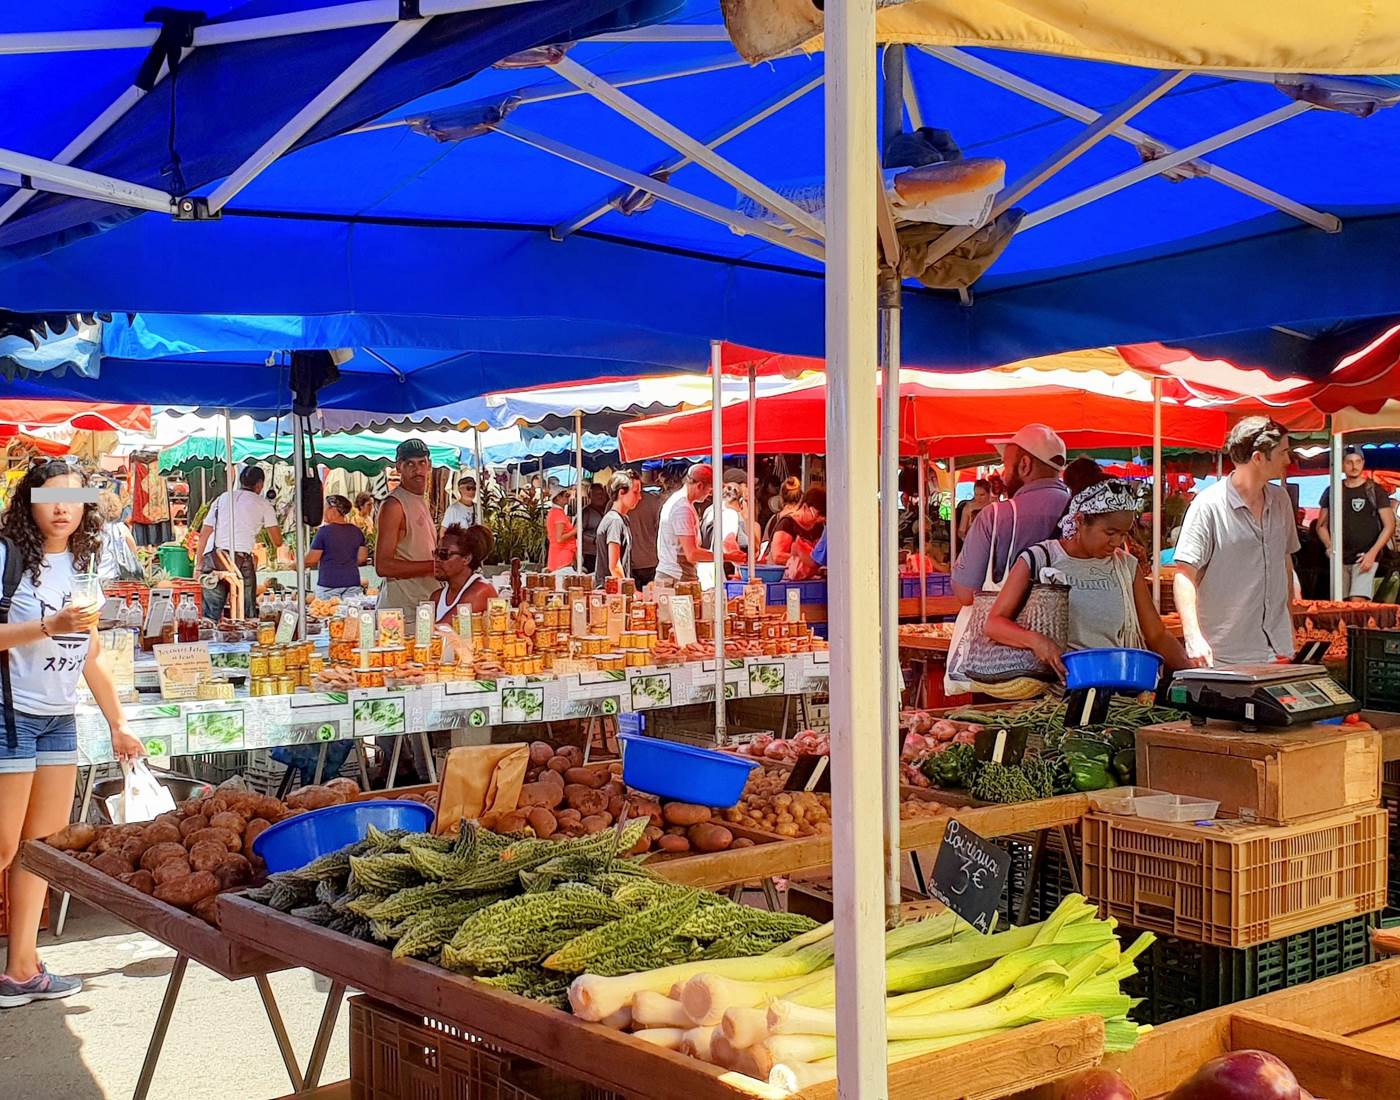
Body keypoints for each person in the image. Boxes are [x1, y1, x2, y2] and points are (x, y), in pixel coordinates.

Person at [0, 461, 145, 1008]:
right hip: (9, 712)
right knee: (3, 844)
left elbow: (91, 656)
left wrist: (118, 723)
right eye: (49, 497)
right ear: (27, 501)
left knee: (41, 852)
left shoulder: (83, 568)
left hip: (60, 718)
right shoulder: (7, 557)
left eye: (73, 498)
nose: (61, 508)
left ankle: (21, 970)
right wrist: (46, 626)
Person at [984, 480, 1190, 679]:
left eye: (1123, 534)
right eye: (1110, 533)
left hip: (1113, 687)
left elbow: (1157, 635)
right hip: (1053, 692)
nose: (1117, 542)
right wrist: (1035, 641)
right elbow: (994, 624)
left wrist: (1193, 674)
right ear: (1080, 521)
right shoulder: (1040, 559)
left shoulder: (1126, 567)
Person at [1173, 417, 1298, 667]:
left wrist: (1289, 619)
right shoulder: (1208, 506)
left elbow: (1284, 560)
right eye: (1283, 452)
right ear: (1259, 458)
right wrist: (1192, 636)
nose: (1288, 460)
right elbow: (1184, 575)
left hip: (1277, 647)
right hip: (1225, 653)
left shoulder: (1281, 499)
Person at [952, 424, 1070, 605]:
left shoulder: (994, 517)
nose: (1004, 476)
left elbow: (966, 593)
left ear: (1024, 465)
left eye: (1005, 466)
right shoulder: (1084, 514)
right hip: (1070, 628)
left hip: (1008, 631)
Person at [195, 463, 283, 620]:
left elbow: (204, 534)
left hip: (213, 558)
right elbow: (277, 541)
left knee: (210, 617)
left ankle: (211, 642)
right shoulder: (263, 504)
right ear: (260, 485)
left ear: (241, 481)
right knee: (245, 615)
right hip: (240, 561)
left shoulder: (222, 498)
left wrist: (199, 565)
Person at [1318, 448, 1396, 600]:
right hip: (1340, 558)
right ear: (1342, 465)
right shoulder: (1333, 490)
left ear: (1363, 463)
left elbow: (1389, 525)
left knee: (1357, 602)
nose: (1354, 466)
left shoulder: (1375, 490)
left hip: (1364, 557)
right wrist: (1330, 547)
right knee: (1340, 606)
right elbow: (1321, 525)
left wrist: (1372, 554)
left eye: (1358, 462)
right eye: (1349, 462)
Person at [375, 440, 441, 614]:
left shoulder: (419, 500)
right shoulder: (394, 505)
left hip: (421, 606)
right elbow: (383, 566)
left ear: (429, 466)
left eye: (421, 463)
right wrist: (434, 566)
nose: (417, 470)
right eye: (409, 463)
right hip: (402, 612)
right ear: (399, 467)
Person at [655, 464, 716, 583]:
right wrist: (727, 556)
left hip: (673, 575)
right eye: (709, 490)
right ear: (700, 486)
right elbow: (692, 554)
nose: (709, 495)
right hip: (677, 578)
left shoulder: (678, 501)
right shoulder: (682, 509)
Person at [305, 495, 368, 599]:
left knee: (327, 612)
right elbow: (362, 558)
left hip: (329, 586)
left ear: (333, 510)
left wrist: (296, 565)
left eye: (325, 508)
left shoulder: (324, 532)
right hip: (352, 584)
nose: (323, 512)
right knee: (350, 614)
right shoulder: (357, 532)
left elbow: (312, 559)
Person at [433, 524, 498, 623]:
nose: (436, 560)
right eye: (436, 553)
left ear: (466, 559)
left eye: (443, 554)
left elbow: (441, 630)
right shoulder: (437, 597)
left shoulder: (482, 590)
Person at [595, 471, 641, 585]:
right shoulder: (615, 521)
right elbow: (614, 566)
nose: (639, 497)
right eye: (635, 492)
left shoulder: (622, 519)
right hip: (610, 592)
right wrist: (630, 591)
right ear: (621, 492)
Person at [766, 487, 826, 566]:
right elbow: (778, 556)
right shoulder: (787, 523)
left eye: (822, 518)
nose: (818, 520)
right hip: (783, 575)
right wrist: (803, 558)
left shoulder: (818, 526)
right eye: (816, 515)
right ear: (805, 507)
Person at [96, 490, 142, 583]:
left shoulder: (93, 529)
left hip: (96, 577)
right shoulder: (121, 528)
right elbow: (133, 551)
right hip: (114, 577)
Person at [628, 473, 663, 587]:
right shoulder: (654, 501)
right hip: (650, 559)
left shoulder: (616, 505)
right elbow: (659, 530)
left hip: (633, 561)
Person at [545, 487, 578, 572]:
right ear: (558, 498)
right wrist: (575, 531)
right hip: (562, 556)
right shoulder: (558, 514)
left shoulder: (555, 512)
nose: (568, 497)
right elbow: (559, 538)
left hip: (559, 554)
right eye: (566, 495)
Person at [763, 477, 804, 544]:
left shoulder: (773, 520)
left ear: (781, 497)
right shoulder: (804, 520)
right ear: (800, 497)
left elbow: (764, 545)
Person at [580, 481, 607, 574]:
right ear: (590, 496)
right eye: (596, 494)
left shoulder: (607, 510)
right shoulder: (585, 512)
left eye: (602, 494)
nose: (600, 496)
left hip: (603, 553)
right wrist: (593, 540)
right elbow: (578, 533)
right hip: (590, 555)